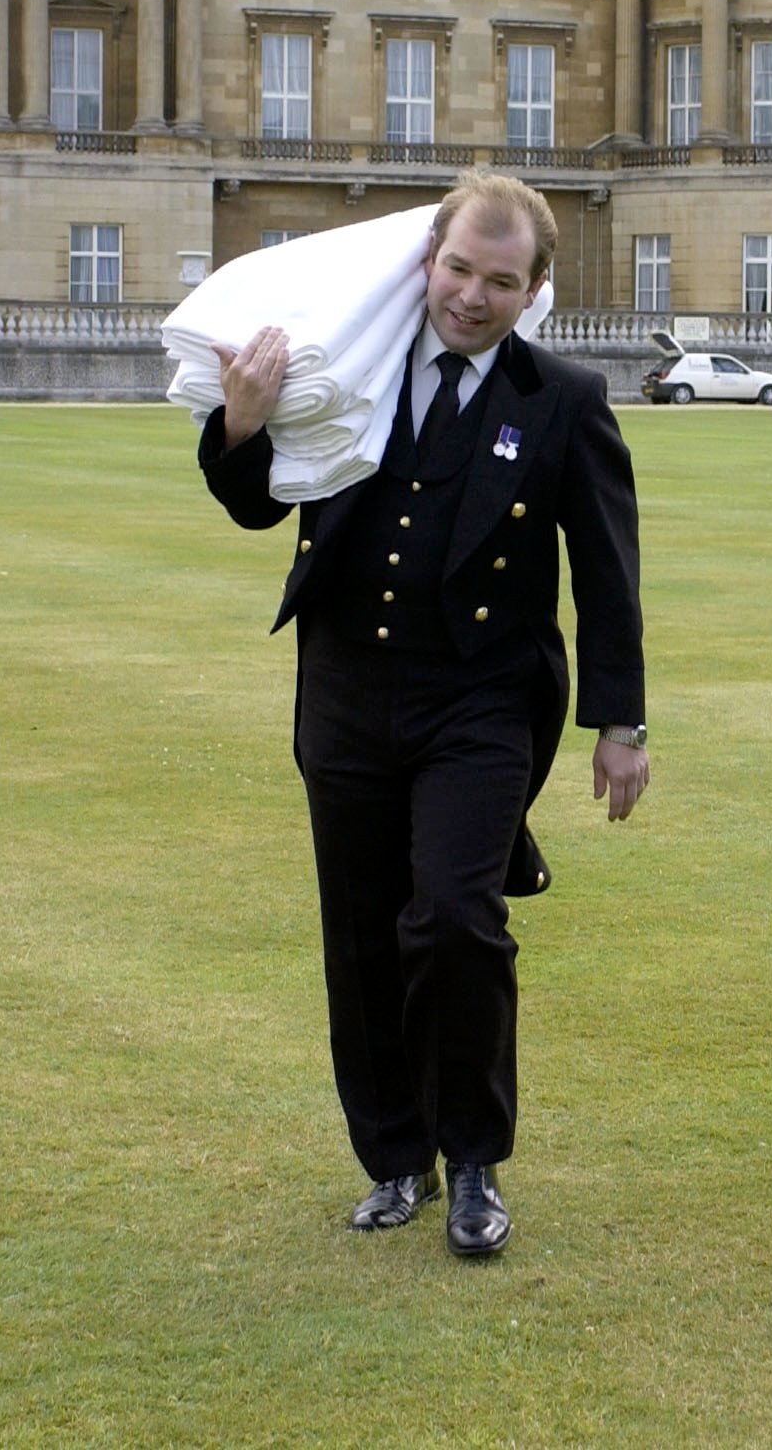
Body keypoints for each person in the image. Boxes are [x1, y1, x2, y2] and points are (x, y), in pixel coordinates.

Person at [201, 171, 650, 1260]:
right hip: (347, 691)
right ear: (426, 261)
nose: (470, 297)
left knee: (453, 918)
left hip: (481, 701)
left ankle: (474, 1160)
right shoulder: (344, 367)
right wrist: (242, 425)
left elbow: (605, 568)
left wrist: (619, 722)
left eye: (500, 280)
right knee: (360, 937)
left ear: (534, 288)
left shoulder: (563, 399)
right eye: (457, 269)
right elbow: (256, 503)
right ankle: (393, 1158)